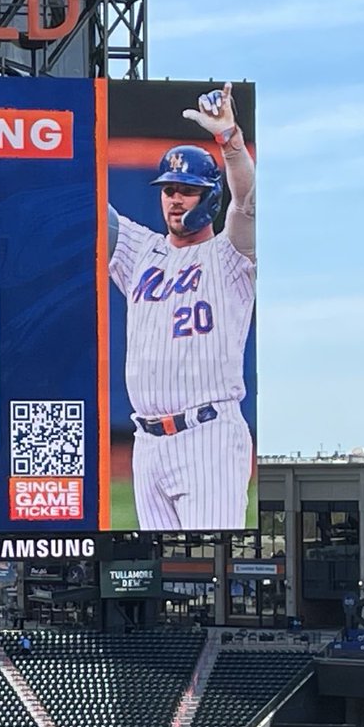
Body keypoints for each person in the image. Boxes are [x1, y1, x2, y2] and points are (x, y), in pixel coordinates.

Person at [108, 82, 256, 530]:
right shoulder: (141, 251)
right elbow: (85, 203)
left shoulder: (231, 256)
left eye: (186, 189)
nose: (174, 198)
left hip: (207, 438)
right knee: (158, 571)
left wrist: (230, 142)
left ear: (209, 196)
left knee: (208, 565)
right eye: (168, 188)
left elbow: (247, 203)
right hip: (148, 443)